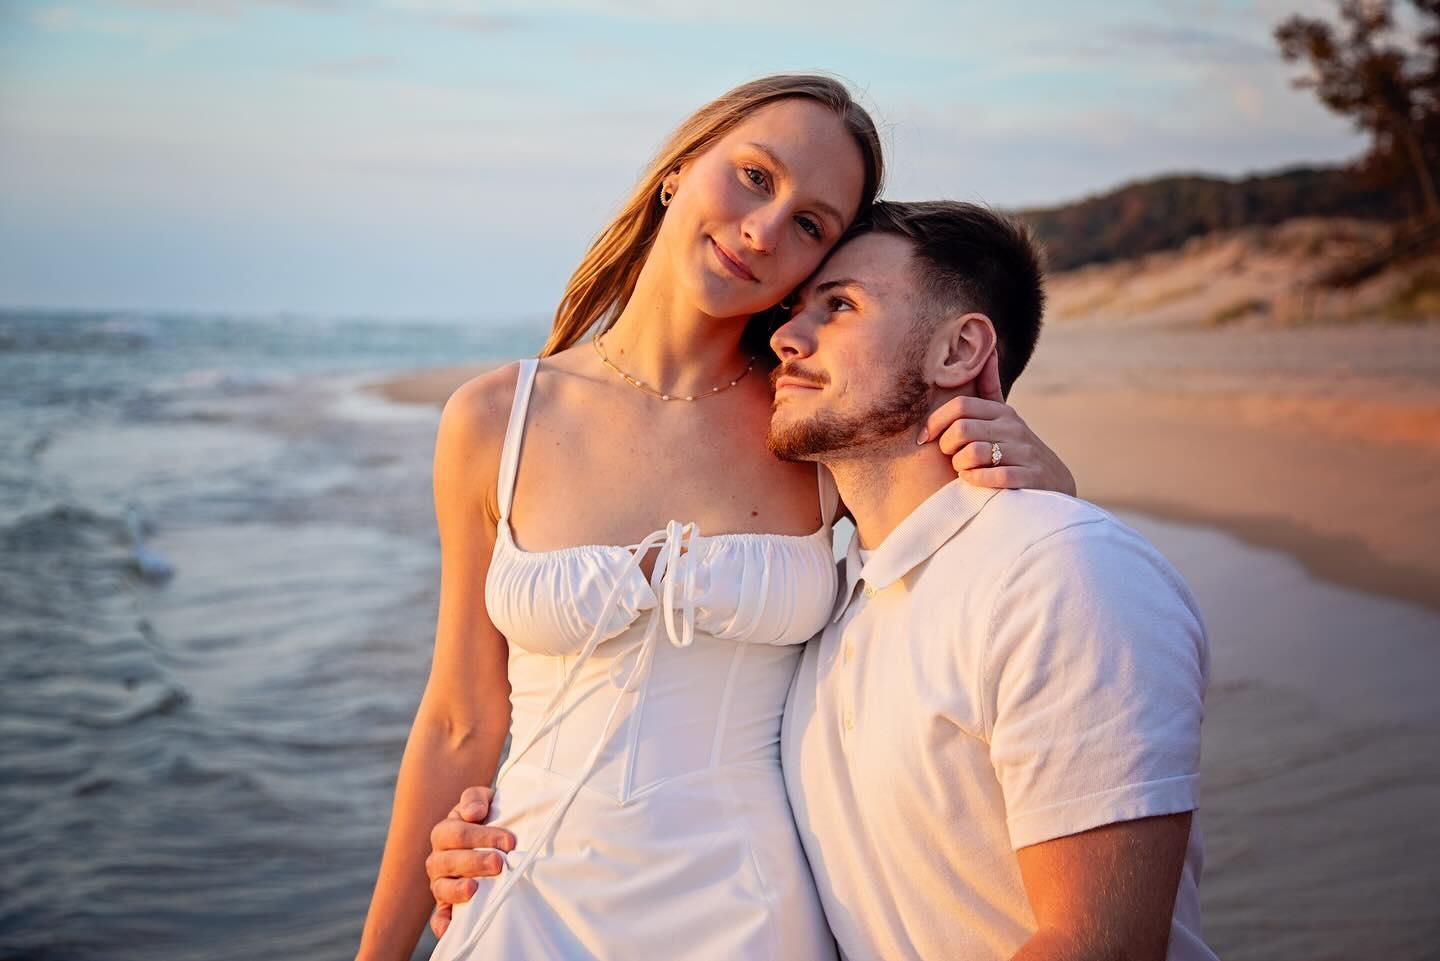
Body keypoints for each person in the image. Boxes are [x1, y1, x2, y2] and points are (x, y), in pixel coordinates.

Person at [355, 75, 1075, 961]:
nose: (764, 230)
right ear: (679, 168)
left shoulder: (816, 426)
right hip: (521, 903)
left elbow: (967, 592)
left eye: (811, 224)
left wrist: (1047, 485)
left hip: (751, 918)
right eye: (754, 177)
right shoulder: (495, 420)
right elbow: (460, 719)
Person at [768, 200, 1215, 960]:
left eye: (838, 304)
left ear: (959, 351)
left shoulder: (1061, 571)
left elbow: (1092, 945)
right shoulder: (829, 604)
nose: (784, 336)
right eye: (789, 310)